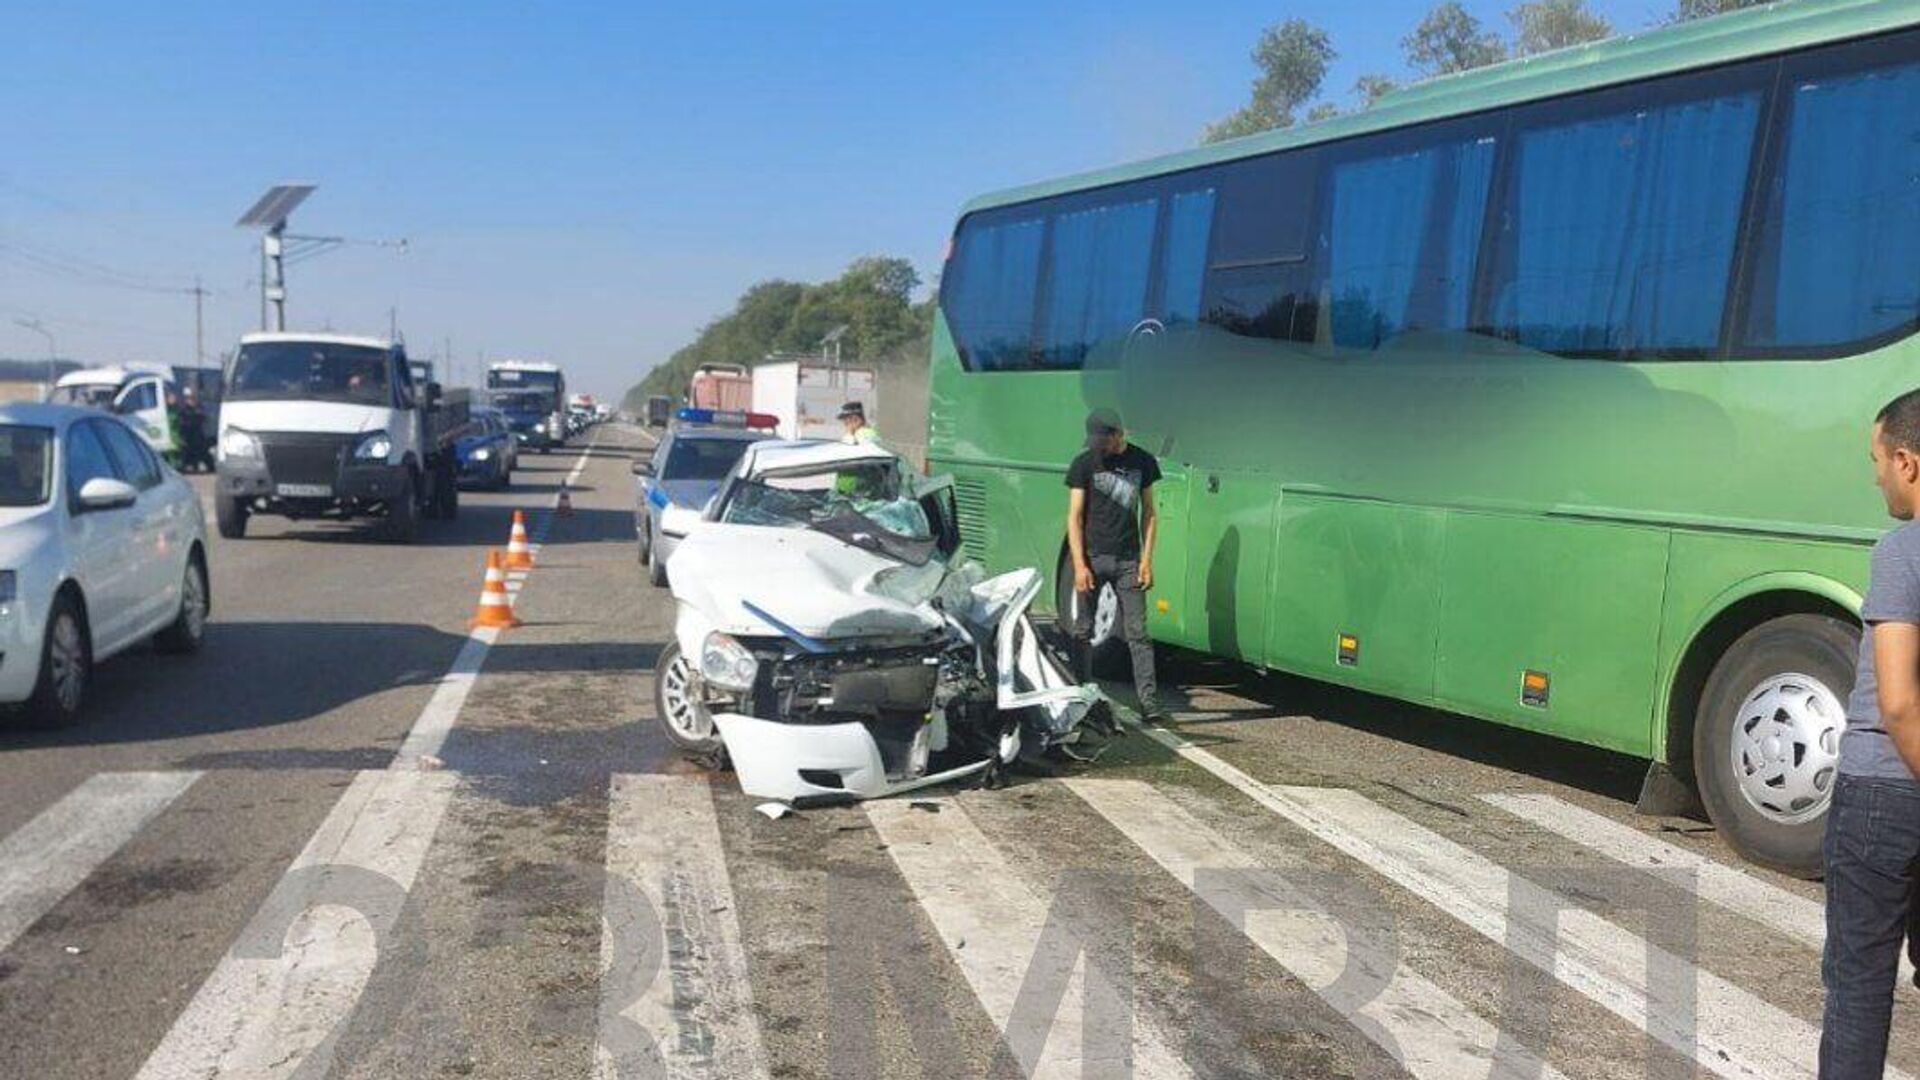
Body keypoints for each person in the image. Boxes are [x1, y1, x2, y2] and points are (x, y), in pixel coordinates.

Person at [1821, 388, 1920, 1079]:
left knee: (1859, 984)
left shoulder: (1902, 552)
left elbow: (1900, 703)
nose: (1875, 474)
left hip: (1885, 793)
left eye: (1878, 459)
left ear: (1909, 461)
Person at [1065, 408, 1165, 722]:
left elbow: (1149, 513)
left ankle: (1149, 703)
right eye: (1093, 441)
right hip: (1093, 559)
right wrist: (1079, 566)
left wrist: (1146, 561)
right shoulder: (1084, 463)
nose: (1098, 448)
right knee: (1083, 629)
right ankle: (1081, 693)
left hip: (1128, 561)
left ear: (1118, 434)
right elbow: (1075, 517)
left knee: (1138, 633)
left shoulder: (1143, 462)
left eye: (1102, 441)